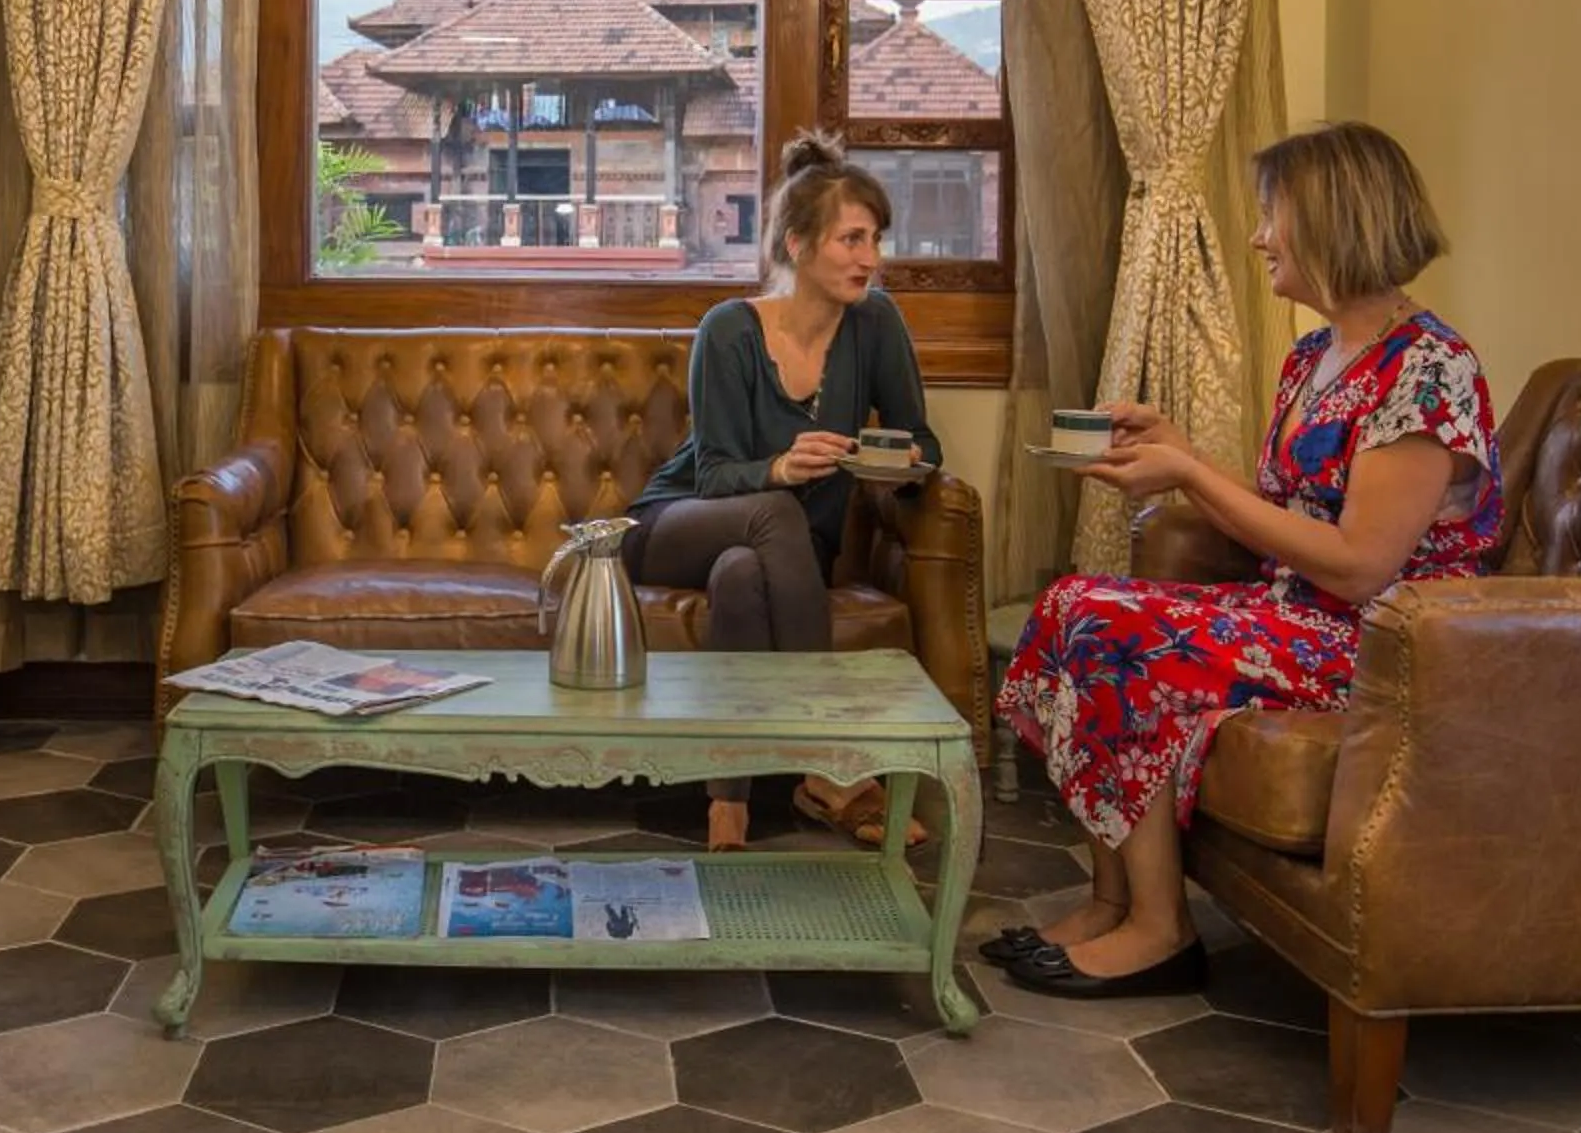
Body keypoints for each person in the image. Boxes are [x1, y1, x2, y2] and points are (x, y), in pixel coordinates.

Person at [989, 121, 1502, 998]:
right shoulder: (1315, 355)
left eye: (1273, 215)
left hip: (1382, 645)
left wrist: (1188, 473)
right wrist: (1181, 450)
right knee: (1072, 602)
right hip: (1300, 614)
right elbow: (1287, 515)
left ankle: (1161, 929)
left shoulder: (1428, 370)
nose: (1260, 235)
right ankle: (1112, 899)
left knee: (1118, 630)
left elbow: (1359, 567)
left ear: (1337, 219)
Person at [632, 129, 942, 854]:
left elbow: (923, 444)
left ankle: (728, 800)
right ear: (797, 246)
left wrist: (879, 458)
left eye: (876, 240)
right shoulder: (730, 331)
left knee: (743, 574)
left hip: (784, 550)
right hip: (676, 524)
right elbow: (712, 476)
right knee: (769, 517)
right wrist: (782, 468)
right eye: (852, 240)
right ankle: (829, 765)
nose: (871, 259)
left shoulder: (876, 323)